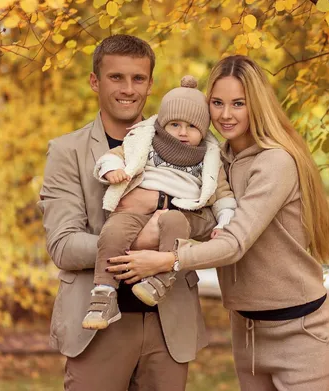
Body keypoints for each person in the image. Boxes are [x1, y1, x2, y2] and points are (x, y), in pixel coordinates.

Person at [108, 55, 329, 391]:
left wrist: (168, 259)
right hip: (246, 328)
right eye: (217, 103)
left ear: (256, 105)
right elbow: (208, 222)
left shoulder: (275, 162)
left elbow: (234, 242)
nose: (225, 114)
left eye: (238, 103)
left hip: (299, 329)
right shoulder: (218, 159)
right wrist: (162, 204)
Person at [38, 35, 213, 391]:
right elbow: (63, 245)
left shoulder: (186, 141)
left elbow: (208, 217)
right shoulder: (66, 151)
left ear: (150, 84)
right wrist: (140, 243)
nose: (128, 89)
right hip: (96, 325)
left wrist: (160, 208)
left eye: (138, 79)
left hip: (169, 322)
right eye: (116, 77)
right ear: (95, 81)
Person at [82, 75, 236, 330]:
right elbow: (113, 156)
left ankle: (161, 279)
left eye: (191, 127)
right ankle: (104, 293)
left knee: (174, 222)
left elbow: (223, 195)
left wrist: (225, 221)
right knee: (114, 231)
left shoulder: (209, 158)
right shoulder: (145, 141)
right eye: (175, 124)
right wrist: (113, 170)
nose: (182, 132)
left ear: (204, 129)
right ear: (164, 125)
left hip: (180, 210)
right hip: (133, 208)